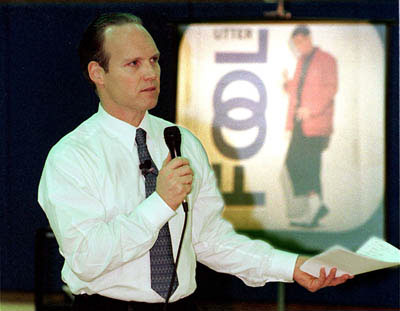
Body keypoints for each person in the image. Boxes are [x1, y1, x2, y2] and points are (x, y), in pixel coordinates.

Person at [38, 13, 351, 311]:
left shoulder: (182, 141)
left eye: (154, 60)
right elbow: (87, 259)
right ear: (98, 73)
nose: (150, 73)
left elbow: (209, 239)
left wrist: (292, 266)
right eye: (133, 64)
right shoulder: (71, 156)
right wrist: (160, 203)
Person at [283, 25, 338, 228]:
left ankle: (314, 209)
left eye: (300, 42)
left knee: (309, 165)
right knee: (293, 163)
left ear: (308, 38)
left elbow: (330, 89)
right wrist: (286, 85)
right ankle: (317, 205)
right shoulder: (301, 62)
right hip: (300, 123)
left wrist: (311, 109)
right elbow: (298, 90)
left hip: (316, 123)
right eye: (295, 44)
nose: (298, 47)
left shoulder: (326, 59)